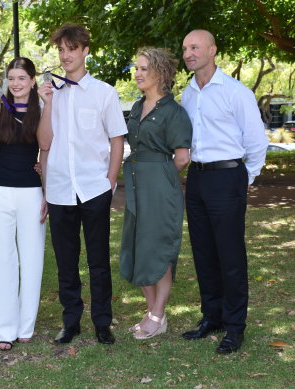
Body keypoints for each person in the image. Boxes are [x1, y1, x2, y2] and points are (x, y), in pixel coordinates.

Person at [37, 23, 127, 345]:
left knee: (99, 261)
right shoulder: (50, 94)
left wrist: (110, 183)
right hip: (60, 189)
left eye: (71, 49)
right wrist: (46, 105)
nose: (65, 56)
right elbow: (44, 143)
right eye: (60, 50)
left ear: (85, 50)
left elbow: (117, 141)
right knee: (65, 261)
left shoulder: (104, 93)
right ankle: (70, 321)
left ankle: (103, 322)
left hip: (94, 189)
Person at [180, 30, 268, 353]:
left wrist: (247, 178)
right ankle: (211, 317)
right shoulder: (188, 94)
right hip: (198, 179)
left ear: (212, 50)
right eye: (186, 48)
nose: (189, 53)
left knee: (230, 255)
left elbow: (257, 141)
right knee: (203, 252)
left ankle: (234, 327)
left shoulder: (236, 92)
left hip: (228, 177)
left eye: (195, 47)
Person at [119, 48, 191, 339]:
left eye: (143, 68)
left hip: (160, 189)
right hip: (137, 186)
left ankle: (158, 313)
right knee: (139, 249)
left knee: (158, 249)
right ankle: (152, 315)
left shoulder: (174, 112)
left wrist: (161, 181)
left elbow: (183, 157)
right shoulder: (137, 107)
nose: (137, 73)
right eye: (136, 68)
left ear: (160, 73)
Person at [0, 57, 48, 351]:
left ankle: (25, 325)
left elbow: (47, 147)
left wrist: (47, 192)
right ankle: (2, 329)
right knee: (0, 260)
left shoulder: (43, 107)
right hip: (0, 192)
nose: (16, 83)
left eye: (22, 77)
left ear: (32, 81)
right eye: (11, 78)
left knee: (32, 259)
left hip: (31, 192)